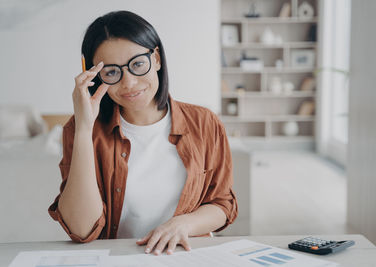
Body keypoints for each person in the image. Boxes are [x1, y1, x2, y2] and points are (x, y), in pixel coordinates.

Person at [48, 10, 237, 255]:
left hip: (187, 256)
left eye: (137, 64)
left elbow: (223, 204)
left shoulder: (204, 122)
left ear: (156, 58)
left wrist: (183, 224)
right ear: (94, 75)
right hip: (119, 259)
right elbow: (81, 229)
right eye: (112, 72)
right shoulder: (81, 128)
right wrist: (85, 128)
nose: (128, 83)